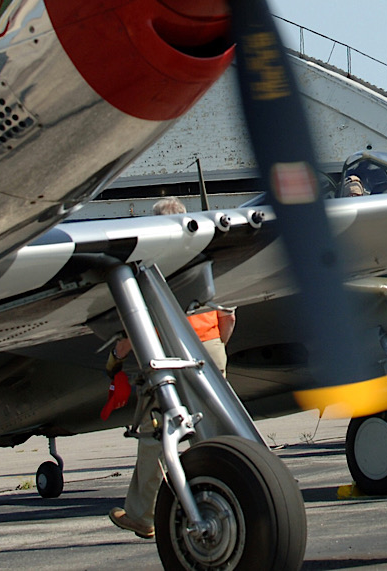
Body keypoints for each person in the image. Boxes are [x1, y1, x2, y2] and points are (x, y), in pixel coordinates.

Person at [107, 197, 237, 539]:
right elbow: (229, 315)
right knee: (214, 429)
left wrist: (122, 349)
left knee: (156, 433)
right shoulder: (203, 254)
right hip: (210, 349)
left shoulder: (152, 261)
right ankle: (233, 493)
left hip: (167, 353)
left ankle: (142, 514)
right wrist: (215, 347)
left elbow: (144, 317)